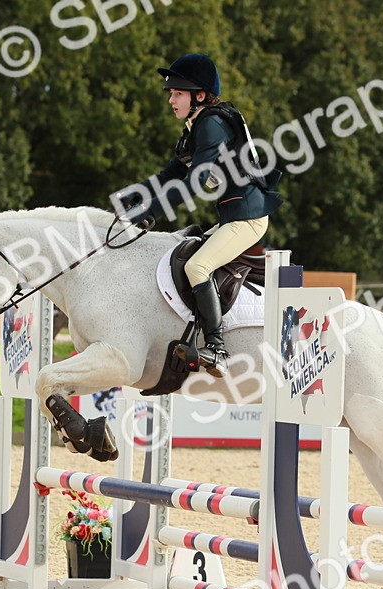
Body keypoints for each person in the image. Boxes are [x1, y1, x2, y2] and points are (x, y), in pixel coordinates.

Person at [113, 53, 282, 376]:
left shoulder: (213, 125)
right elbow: (169, 174)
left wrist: (154, 211)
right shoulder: (198, 125)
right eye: (171, 94)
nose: (171, 100)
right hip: (232, 216)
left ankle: (217, 348)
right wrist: (129, 198)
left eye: (177, 93)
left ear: (199, 96)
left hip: (248, 218)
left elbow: (195, 181)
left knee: (197, 265)